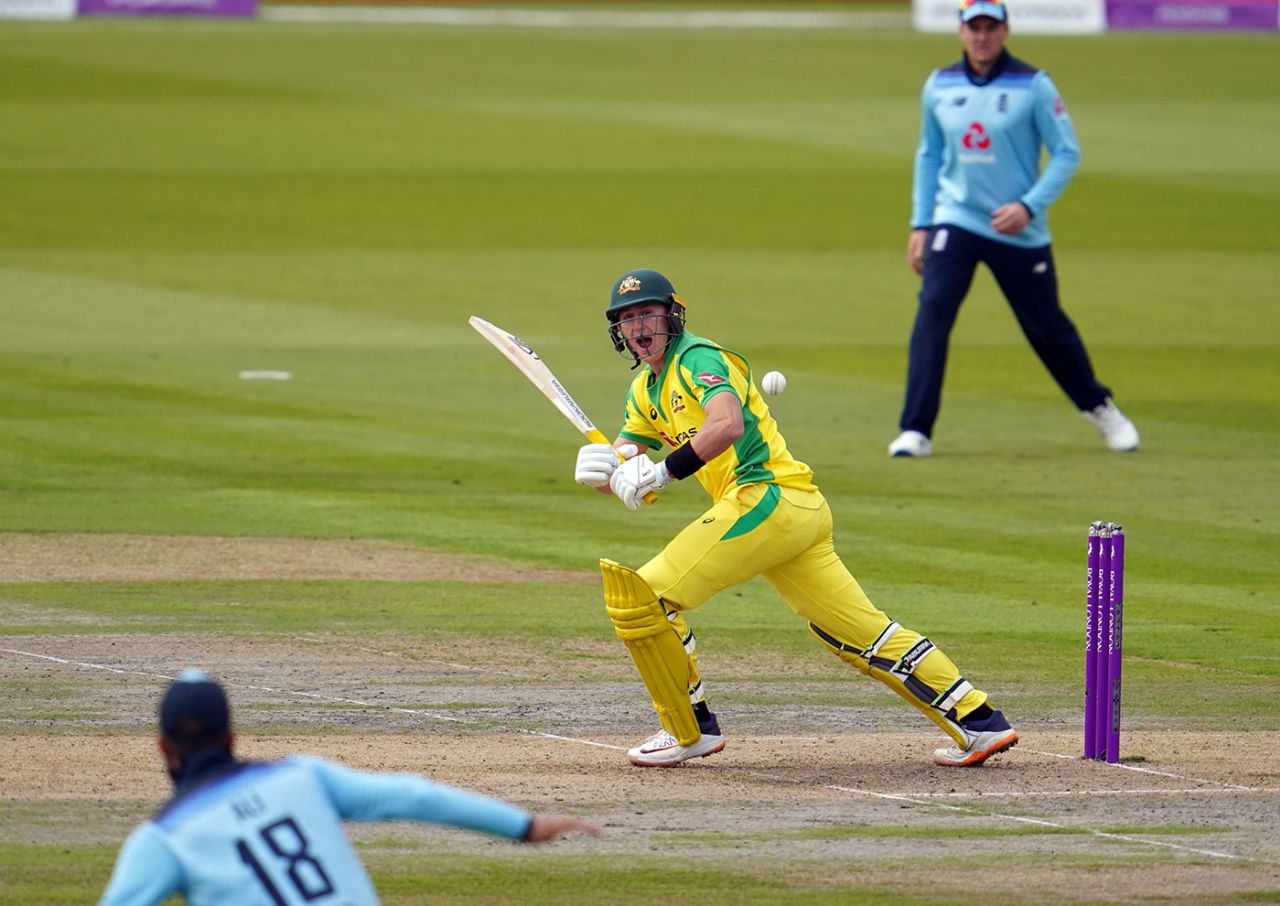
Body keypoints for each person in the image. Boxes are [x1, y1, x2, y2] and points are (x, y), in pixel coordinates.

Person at [573, 268, 1018, 769]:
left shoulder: (699, 358)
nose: (639, 326)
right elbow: (630, 448)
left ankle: (688, 728)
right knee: (859, 634)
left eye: (648, 313)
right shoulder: (644, 389)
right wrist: (605, 465)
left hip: (764, 498)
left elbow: (726, 423)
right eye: (628, 318)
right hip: (793, 514)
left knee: (645, 599)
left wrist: (662, 473)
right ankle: (979, 721)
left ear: (672, 315)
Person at [99, 670, 599, 906]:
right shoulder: (300, 777)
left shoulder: (164, 839)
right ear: (231, 737)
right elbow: (413, 794)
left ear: (163, 747)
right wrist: (524, 826)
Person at [888, 0, 1139, 458]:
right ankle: (915, 429)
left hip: (1016, 227)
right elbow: (929, 155)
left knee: (1046, 328)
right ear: (961, 32)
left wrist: (1029, 205)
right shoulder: (939, 85)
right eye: (973, 27)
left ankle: (1101, 408)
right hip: (957, 219)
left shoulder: (1034, 85)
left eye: (990, 27)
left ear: (1005, 30)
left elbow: (1066, 153)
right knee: (933, 314)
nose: (981, 36)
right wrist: (921, 222)